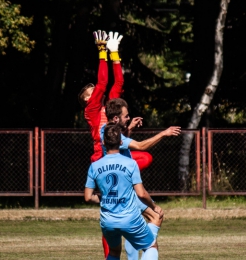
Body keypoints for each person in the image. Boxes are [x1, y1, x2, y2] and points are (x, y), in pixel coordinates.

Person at [78, 30, 160, 260]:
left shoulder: (111, 108)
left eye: (93, 91)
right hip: (101, 158)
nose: (94, 92)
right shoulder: (92, 109)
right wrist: (103, 51)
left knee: (144, 159)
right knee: (113, 208)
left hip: (117, 158)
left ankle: (123, 194)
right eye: (89, 92)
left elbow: (119, 82)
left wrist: (116, 55)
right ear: (86, 99)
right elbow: (103, 82)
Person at [85, 123, 163, 260]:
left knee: (114, 252)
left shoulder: (94, 166)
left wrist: (103, 199)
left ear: (103, 142)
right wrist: (154, 206)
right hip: (130, 219)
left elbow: (88, 197)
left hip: (107, 221)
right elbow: (141, 193)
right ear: (121, 142)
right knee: (151, 246)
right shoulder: (130, 163)